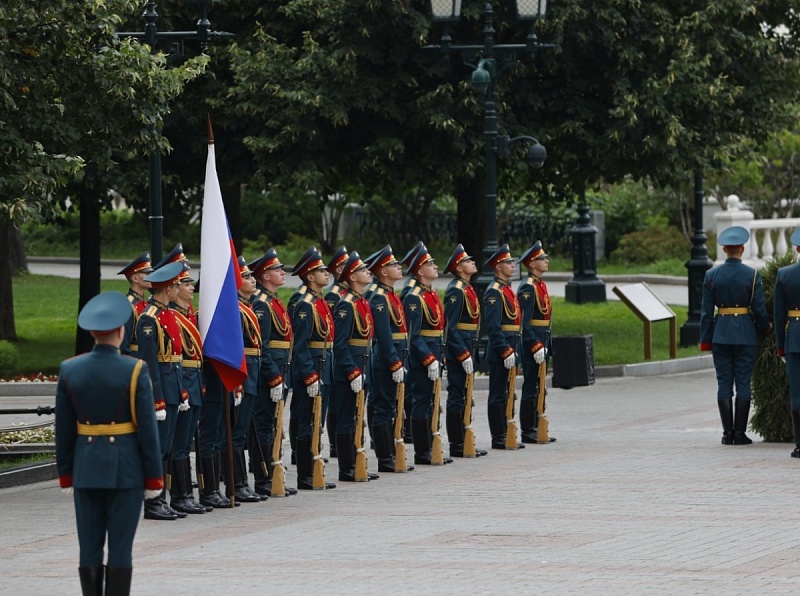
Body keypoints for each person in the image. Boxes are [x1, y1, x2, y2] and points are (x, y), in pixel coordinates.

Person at [56, 291, 163, 596]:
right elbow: (147, 431)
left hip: (86, 469)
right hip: (126, 471)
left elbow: (63, 430)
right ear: (121, 331)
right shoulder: (135, 370)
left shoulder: (70, 369)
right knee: (120, 548)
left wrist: (66, 472)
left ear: (91, 332)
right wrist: (154, 476)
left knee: (88, 547)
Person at [700, 225, 770, 445]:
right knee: (743, 383)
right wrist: (765, 326)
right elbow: (758, 308)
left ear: (724, 250)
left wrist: (705, 340)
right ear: (742, 248)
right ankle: (739, 434)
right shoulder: (752, 275)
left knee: (723, 383)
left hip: (720, 333)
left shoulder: (711, 274)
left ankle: (726, 433)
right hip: (745, 335)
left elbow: (705, 313)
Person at [136, 260, 191, 520]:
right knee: (157, 449)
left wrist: (180, 392)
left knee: (167, 449)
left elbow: (176, 358)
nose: (179, 289)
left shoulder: (167, 314)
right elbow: (149, 364)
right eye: (177, 285)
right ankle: (153, 502)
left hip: (172, 388)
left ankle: (163, 498)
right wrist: (156, 400)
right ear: (168, 289)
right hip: (160, 392)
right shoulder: (150, 320)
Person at [248, 248, 297, 496]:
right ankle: (263, 478)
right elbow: (263, 345)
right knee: (264, 426)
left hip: (280, 370)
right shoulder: (261, 304)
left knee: (274, 424)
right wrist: (273, 376)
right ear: (265, 276)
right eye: (276, 270)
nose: (282, 272)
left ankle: (273, 474)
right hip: (270, 374)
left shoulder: (275, 302)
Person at [290, 248, 336, 490]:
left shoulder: (319, 301)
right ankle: (306, 475)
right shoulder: (306, 305)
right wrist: (309, 375)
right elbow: (300, 345)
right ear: (309, 276)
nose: (326, 273)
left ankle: (315, 468)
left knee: (318, 420)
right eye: (320, 270)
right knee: (308, 420)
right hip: (312, 368)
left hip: (324, 365)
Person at [403, 243, 452, 465]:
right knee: (421, 402)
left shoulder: (429, 294)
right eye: (430, 264)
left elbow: (437, 328)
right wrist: (428, 358)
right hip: (422, 357)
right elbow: (413, 335)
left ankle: (432, 446)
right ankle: (422, 451)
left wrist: (438, 356)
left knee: (432, 401)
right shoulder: (414, 297)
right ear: (420, 271)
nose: (435, 266)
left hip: (433, 354)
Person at [332, 251, 379, 481]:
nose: (367, 273)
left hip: (363, 365)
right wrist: (351, 371)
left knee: (357, 416)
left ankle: (356, 462)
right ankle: (346, 467)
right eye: (362, 270)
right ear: (351, 277)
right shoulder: (346, 305)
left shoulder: (362, 301)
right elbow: (339, 345)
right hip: (349, 371)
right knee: (346, 417)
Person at [368, 245, 414, 472]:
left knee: (393, 406)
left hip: (397, 356)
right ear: (383, 272)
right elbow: (384, 334)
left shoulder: (391, 295)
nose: (399, 267)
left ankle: (392, 453)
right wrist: (394, 362)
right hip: (385, 359)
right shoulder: (378, 297)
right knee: (383, 407)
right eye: (394, 265)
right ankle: (385, 458)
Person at [168, 262, 208, 514]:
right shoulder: (171, 318)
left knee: (185, 442)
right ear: (174, 288)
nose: (191, 288)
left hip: (195, 381)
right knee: (179, 443)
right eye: (186, 284)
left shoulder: (188, 316)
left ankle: (186, 494)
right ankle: (178, 495)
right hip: (183, 383)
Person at [225, 256, 265, 503]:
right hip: (243, 377)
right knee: (237, 433)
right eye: (247, 277)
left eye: (251, 276)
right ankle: (237, 483)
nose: (252, 280)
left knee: (242, 432)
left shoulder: (247, 307)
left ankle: (242, 483)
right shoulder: (236, 310)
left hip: (252, 374)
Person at [443, 244, 487, 457]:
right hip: (459, 350)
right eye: (468, 261)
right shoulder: (455, 291)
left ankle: (465, 439)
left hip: (469, 346)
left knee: (465, 395)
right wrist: (462, 353)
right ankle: (457, 443)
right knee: (456, 395)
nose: (473, 263)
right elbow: (450, 328)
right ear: (459, 268)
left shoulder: (467, 288)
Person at [482, 244, 525, 450]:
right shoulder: (494, 292)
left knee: (509, 392)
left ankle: (507, 432)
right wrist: (505, 349)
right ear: (498, 267)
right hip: (501, 349)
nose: (512, 265)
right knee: (498, 393)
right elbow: (493, 326)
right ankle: (498, 436)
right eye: (508, 262)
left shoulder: (507, 289)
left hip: (512, 345)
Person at [517, 240, 556, 444]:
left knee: (541, 384)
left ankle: (538, 424)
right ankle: (528, 429)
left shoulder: (540, 285)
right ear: (532, 264)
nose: (546, 261)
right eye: (542, 258)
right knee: (531, 383)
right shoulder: (528, 287)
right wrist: (535, 344)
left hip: (543, 338)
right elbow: (525, 322)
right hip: (534, 341)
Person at [774, 227, 800, 456]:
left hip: (794, 338)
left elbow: (779, 315)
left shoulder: (784, 274)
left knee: (797, 392)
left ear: (797, 248)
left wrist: (780, 345)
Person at [324, 245, 349, 458]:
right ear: (339, 270)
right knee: (335, 402)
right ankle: (334, 444)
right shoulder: (333, 295)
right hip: (335, 351)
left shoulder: (348, 294)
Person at [117, 251, 153, 356]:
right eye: (147, 273)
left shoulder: (145, 304)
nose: (151, 276)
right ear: (135, 278)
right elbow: (123, 343)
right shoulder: (128, 305)